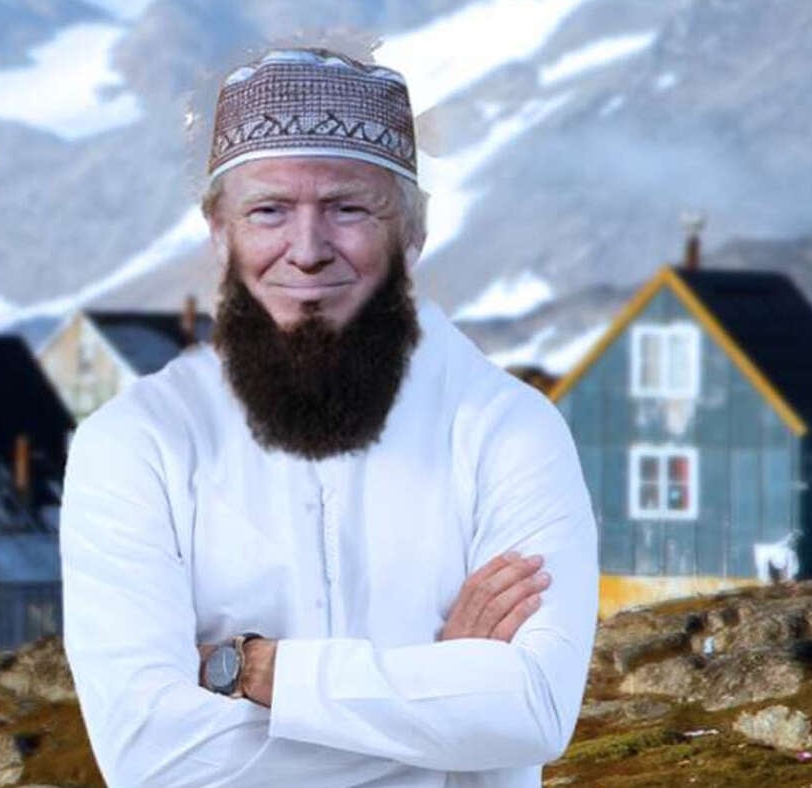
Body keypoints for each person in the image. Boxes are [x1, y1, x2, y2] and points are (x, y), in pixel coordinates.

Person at [59, 46, 599, 787]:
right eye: (269, 211)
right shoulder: (135, 444)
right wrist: (442, 696)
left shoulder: (510, 430)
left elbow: (533, 709)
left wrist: (258, 672)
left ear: (412, 231)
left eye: (348, 209)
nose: (307, 251)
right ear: (219, 232)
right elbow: (153, 758)